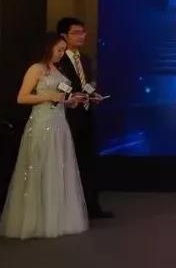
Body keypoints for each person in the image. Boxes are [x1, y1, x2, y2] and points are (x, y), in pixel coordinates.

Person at [0, 32, 88, 239]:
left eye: (63, 50)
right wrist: (50, 96)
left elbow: (61, 98)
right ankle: (36, 220)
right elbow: (22, 97)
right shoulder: (36, 69)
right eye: (59, 50)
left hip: (59, 124)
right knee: (40, 167)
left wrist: (71, 100)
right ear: (48, 48)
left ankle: (57, 218)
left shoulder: (58, 70)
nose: (61, 54)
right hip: (42, 124)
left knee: (58, 168)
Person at [56, 17, 112, 219]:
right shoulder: (58, 59)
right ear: (64, 36)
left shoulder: (85, 59)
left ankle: (91, 206)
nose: (82, 36)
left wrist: (93, 94)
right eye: (76, 33)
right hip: (67, 117)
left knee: (89, 162)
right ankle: (68, 209)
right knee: (68, 162)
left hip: (86, 115)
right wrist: (72, 95)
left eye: (83, 32)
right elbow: (57, 85)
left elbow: (86, 84)